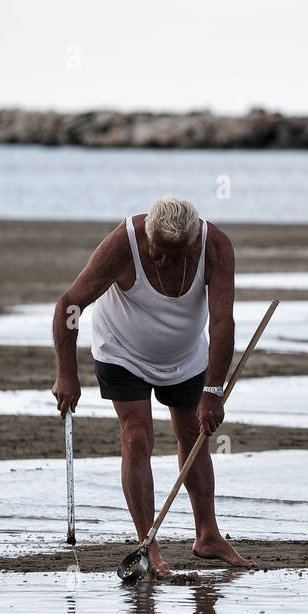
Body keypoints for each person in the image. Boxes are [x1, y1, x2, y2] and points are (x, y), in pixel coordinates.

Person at [51, 195, 253, 573]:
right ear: (148, 236)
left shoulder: (216, 247)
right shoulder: (123, 244)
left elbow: (223, 322)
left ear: (193, 243)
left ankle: (207, 535)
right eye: (158, 252)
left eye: (175, 255)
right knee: (138, 435)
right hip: (122, 350)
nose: (163, 261)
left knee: (194, 433)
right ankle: (148, 544)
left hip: (186, 353)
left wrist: (213, 392)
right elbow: (70, 305)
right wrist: (67, 374)